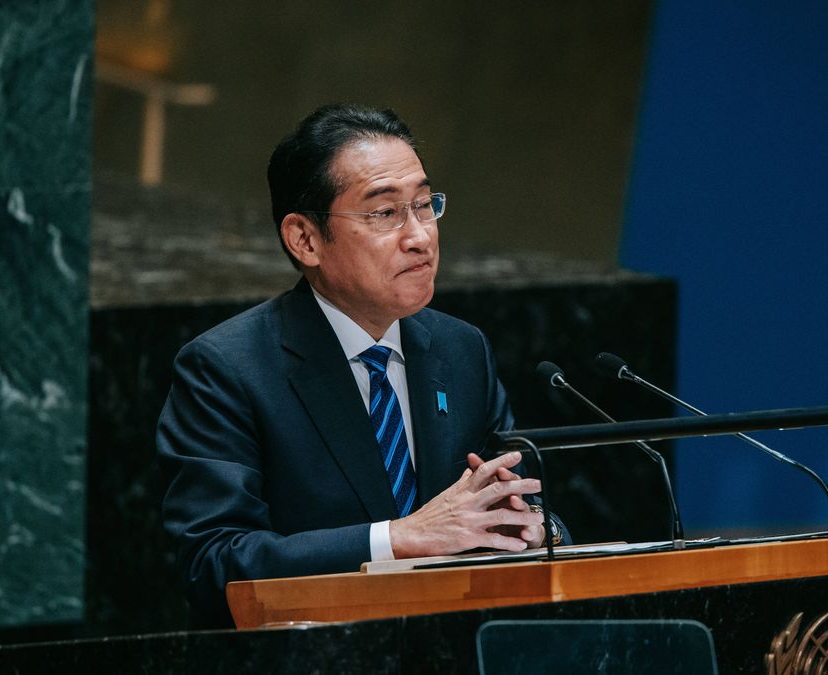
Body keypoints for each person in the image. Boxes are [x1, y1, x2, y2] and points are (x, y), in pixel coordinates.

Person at [156, 104, 567, 627]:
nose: (420, 236)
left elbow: (518, 500)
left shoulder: (460, 350)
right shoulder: (227, 368)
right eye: (384, 213)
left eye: (424, 205)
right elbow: (215, 564)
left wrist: (538, 529)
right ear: (305, 239)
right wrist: (397, 539)